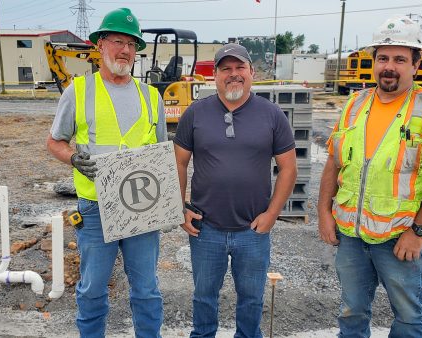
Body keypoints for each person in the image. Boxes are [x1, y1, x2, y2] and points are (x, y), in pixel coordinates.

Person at [317, 16, 422, 338]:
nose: (389, 67)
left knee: (408, 317)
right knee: (351, 312)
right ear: (374, 62)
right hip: (351, 235)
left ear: (415, 65)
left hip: (400, 238)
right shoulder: (355, 104)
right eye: (383, 58)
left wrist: (418, 232)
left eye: (399, 59)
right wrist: (323, 213)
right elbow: (333, 163)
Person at [46, 8, 166, 338]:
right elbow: (55, 142)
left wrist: (169, 207)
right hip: (96, 208)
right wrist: (72, 158)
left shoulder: (151, 97)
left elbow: (162, 157)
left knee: (146, 290)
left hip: (142, 208)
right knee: (93, 290)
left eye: (131, 43)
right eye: (117, 41)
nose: (125, 50)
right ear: (100, 45)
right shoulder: (79, 91)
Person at [174, 43, 297, 338]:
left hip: (253, 230)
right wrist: (179, 208)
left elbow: (289, 169)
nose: (234, 74)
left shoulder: (272, 115)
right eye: (226, 69)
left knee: (251, 299)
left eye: (240, 67)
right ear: (214, 75)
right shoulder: (195, 113)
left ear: (251, 73)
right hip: (206, 228)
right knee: (204, 297)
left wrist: (271, 214)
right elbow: (178, 163)